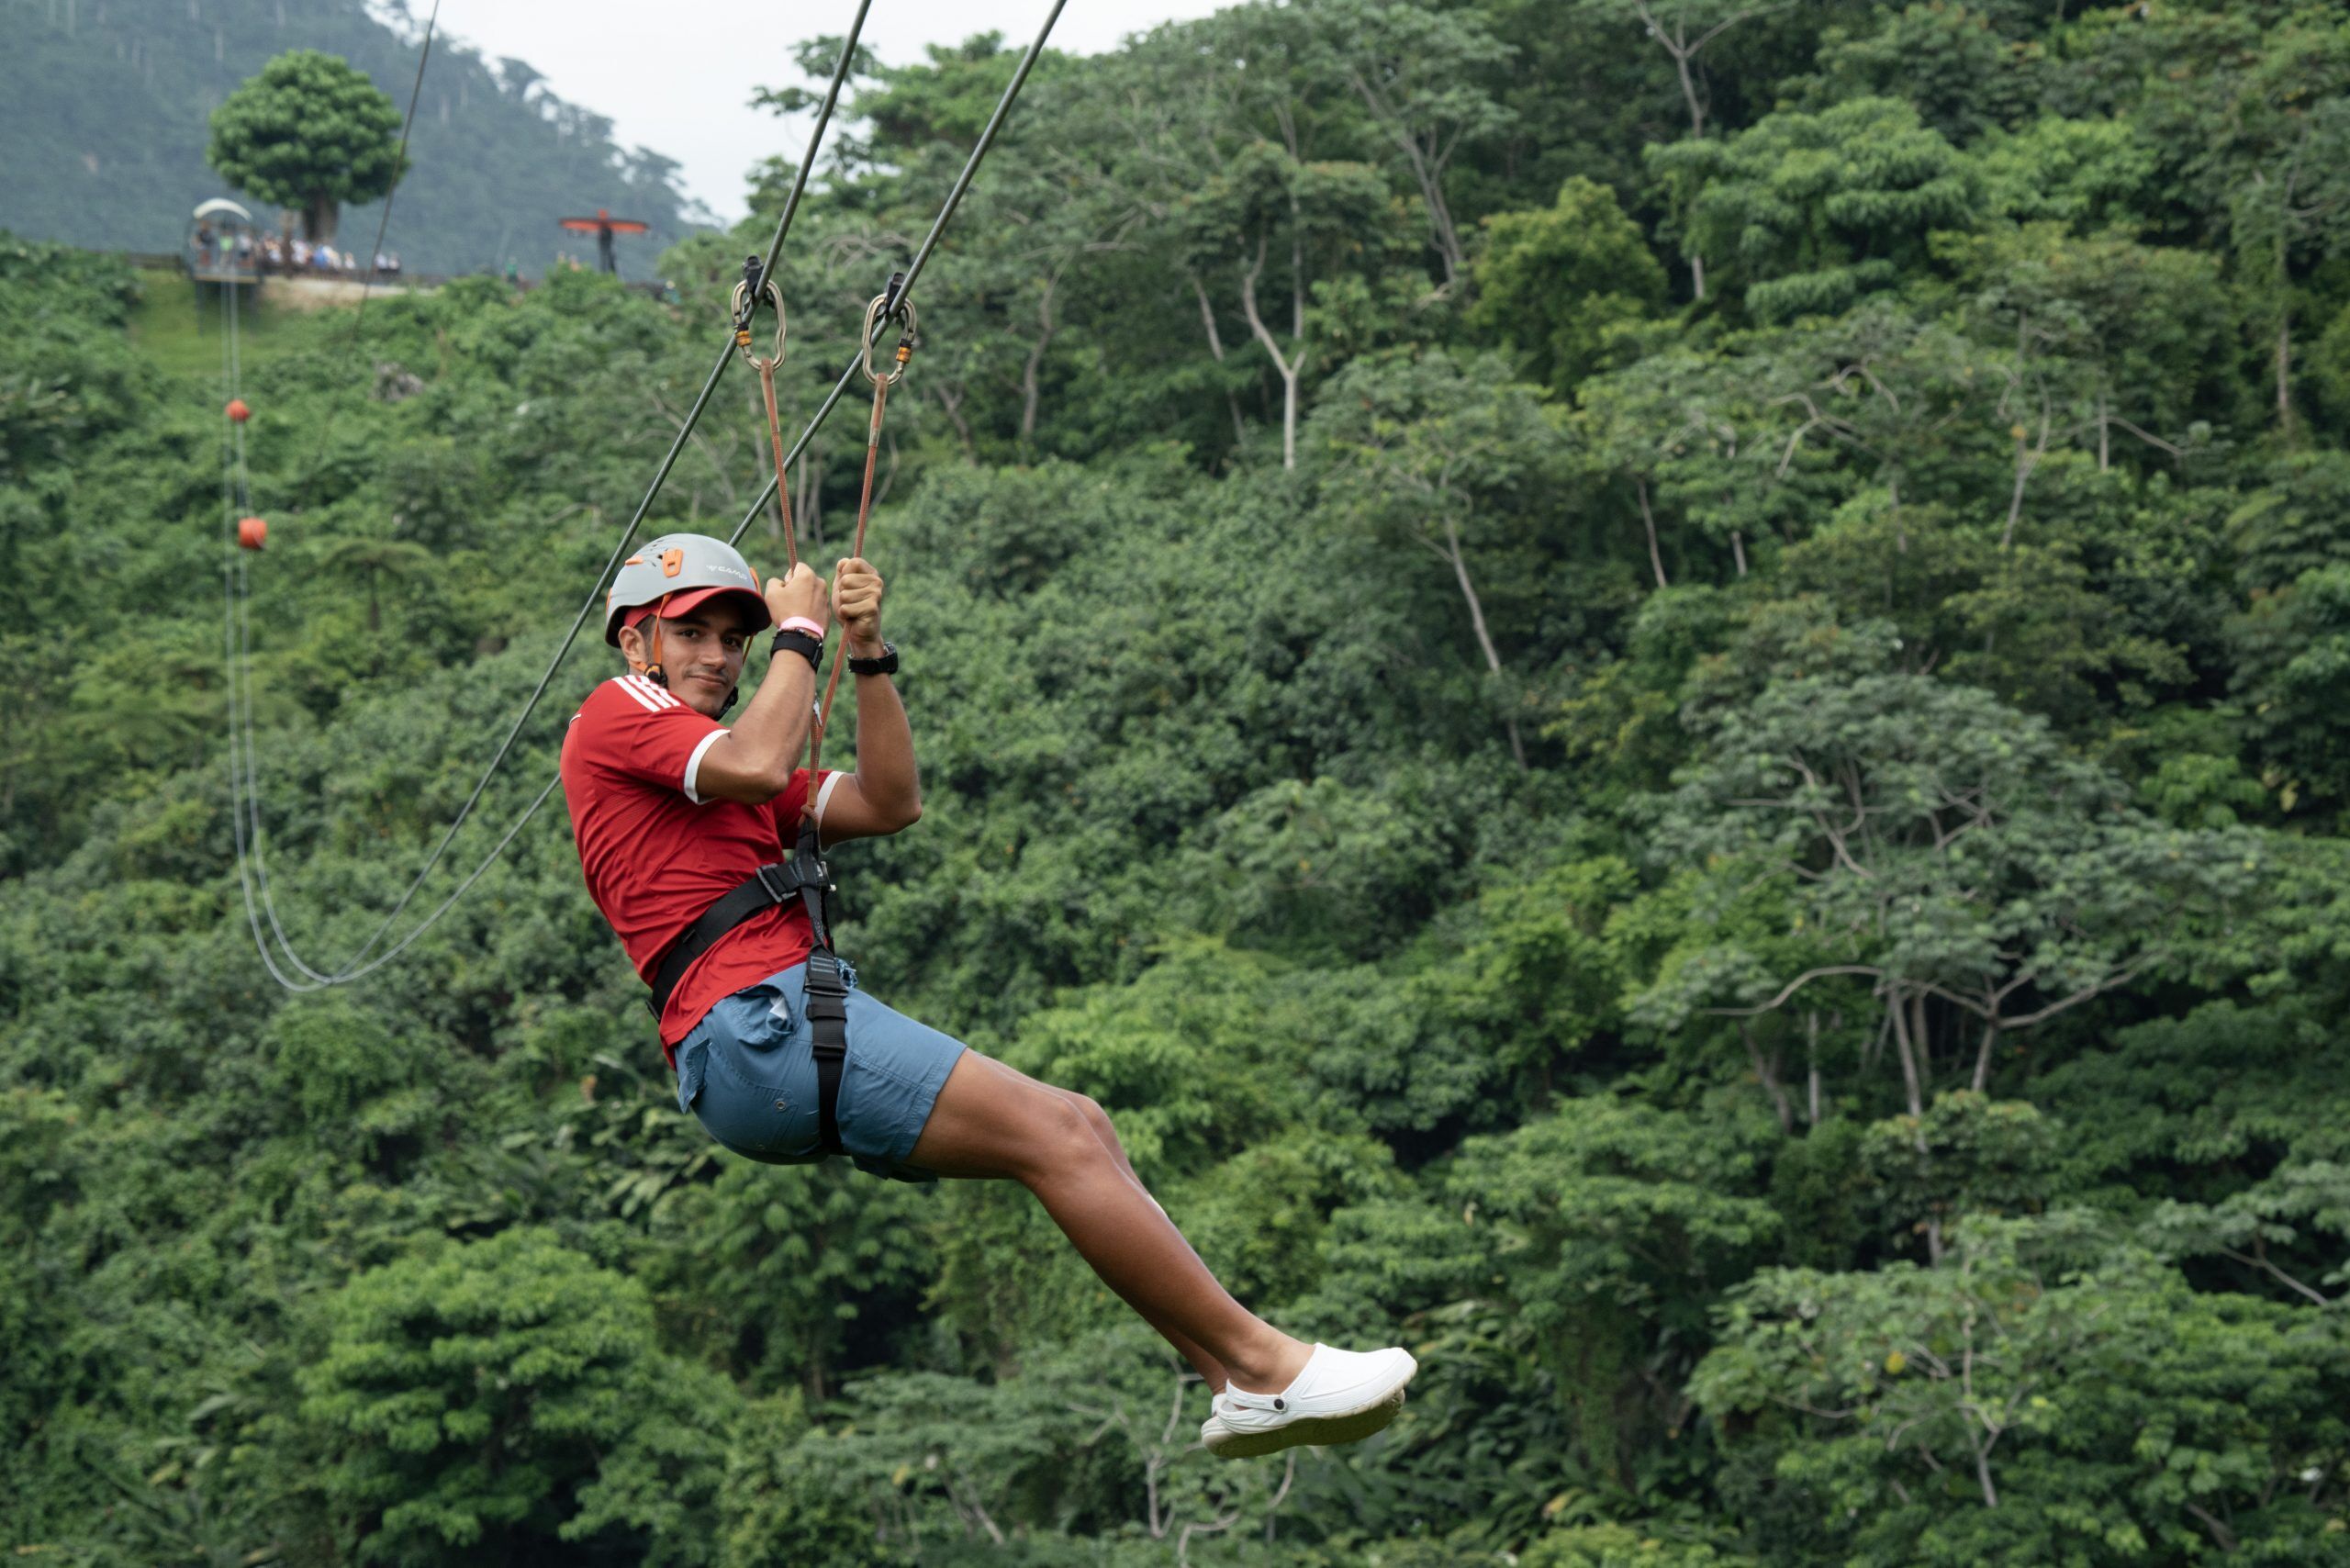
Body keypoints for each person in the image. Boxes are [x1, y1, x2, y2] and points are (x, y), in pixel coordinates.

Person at [559, 534, 1417, 1458]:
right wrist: (798, 632)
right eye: (694, 634)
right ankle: (1268, 1362)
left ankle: (1236, 1383)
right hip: (757, 1026)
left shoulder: (715, 766)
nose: (721, 655)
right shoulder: (621, 713)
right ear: (636, 642)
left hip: (767, 1034)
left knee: (1080, 1125)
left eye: (736, 638)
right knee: (1057, 1136)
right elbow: (762, 762)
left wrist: (867, 655)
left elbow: (889, 802)